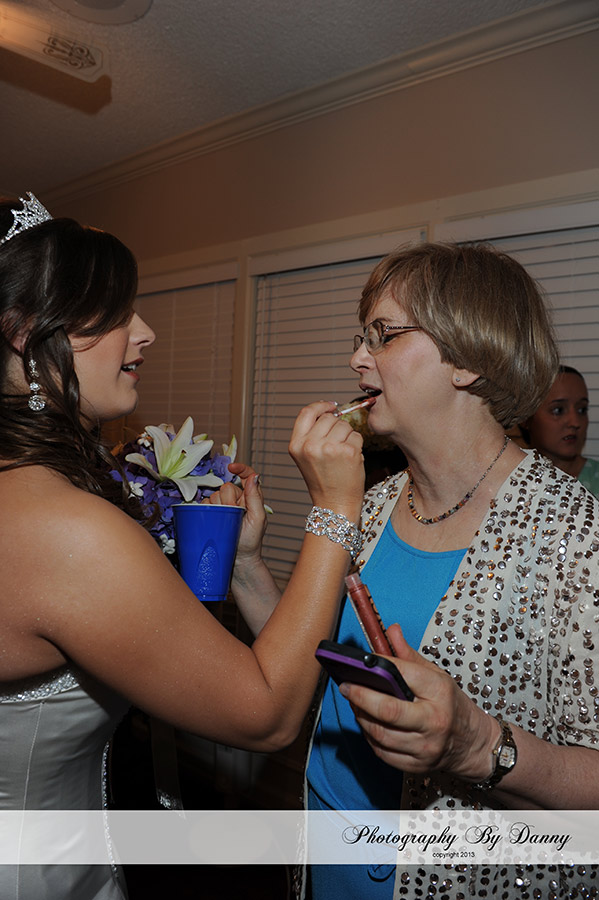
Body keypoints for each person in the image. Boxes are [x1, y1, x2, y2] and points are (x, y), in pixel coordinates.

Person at [0, 193, 365, 900]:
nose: (144, 333)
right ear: (25, 333)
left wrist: (243, 564)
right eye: (114, 313)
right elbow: (265, 714)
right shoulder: (65, 529)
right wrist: (334, 509)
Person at [295, 242, 599, 899]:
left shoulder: (574, 536)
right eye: (360, 337)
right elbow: (317, 664)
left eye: (383, 335)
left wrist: (475, 745)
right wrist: (244, 567)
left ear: (468, 357)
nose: (357, 359)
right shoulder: (371, 504)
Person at [523, 365, 599, 497]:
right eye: (558, 410)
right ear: (526, 416)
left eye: (582, 410)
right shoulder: (507, 479)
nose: (575, 422)